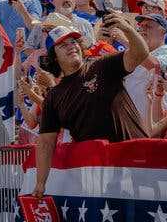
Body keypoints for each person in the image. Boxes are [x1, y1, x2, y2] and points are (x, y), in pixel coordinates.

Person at [33, 17, 150, 199]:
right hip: (100, 174)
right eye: (63, 45)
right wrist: (40, 183)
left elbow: (140, 54)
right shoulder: (53, 97)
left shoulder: (101, 65)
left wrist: (127, 28)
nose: (71, 46)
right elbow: (46, 143)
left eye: (73, 41)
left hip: (137, 162)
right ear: (54, 57)